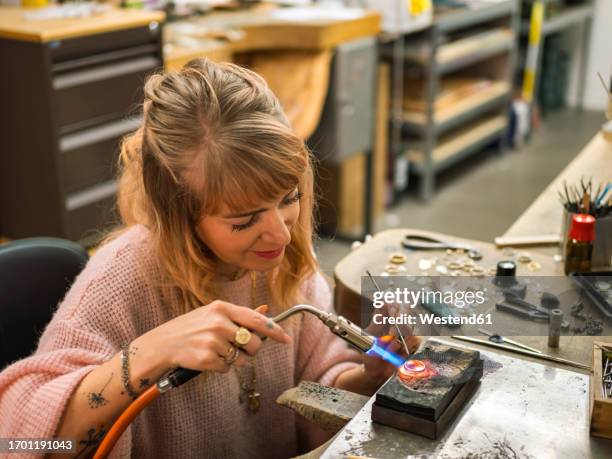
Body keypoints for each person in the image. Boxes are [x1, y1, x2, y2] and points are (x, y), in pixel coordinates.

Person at [0, 59, 418, 458]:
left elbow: (318, 381)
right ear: (179, 216)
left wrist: (366, 378)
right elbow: (17, 441)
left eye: (289, 198)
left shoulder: (280, 254)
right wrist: (149, 354)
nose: (281, 232)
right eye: (243, 220)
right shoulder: (117, 281)